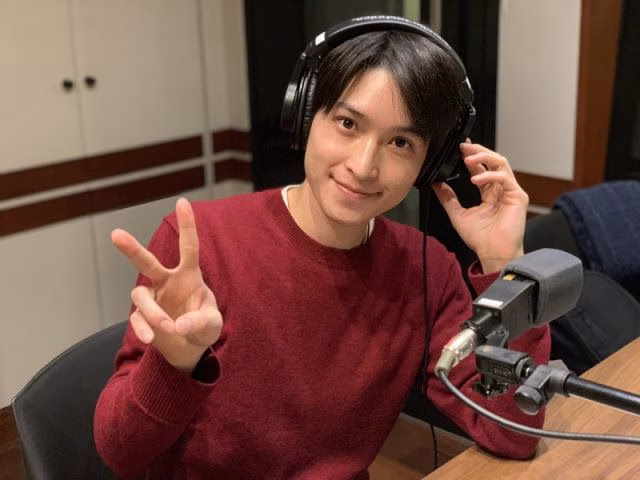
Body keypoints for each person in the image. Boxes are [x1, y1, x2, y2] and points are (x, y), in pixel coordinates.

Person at [94, 16, 549, 479]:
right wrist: (174, 364)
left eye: (400, 142)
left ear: (429, 164)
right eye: (348, 123)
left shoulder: (426, 269)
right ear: (306, 116)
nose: (364, 166)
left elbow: (511, 432)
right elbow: (120, 451)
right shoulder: (200, 242)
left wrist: (504, 264)